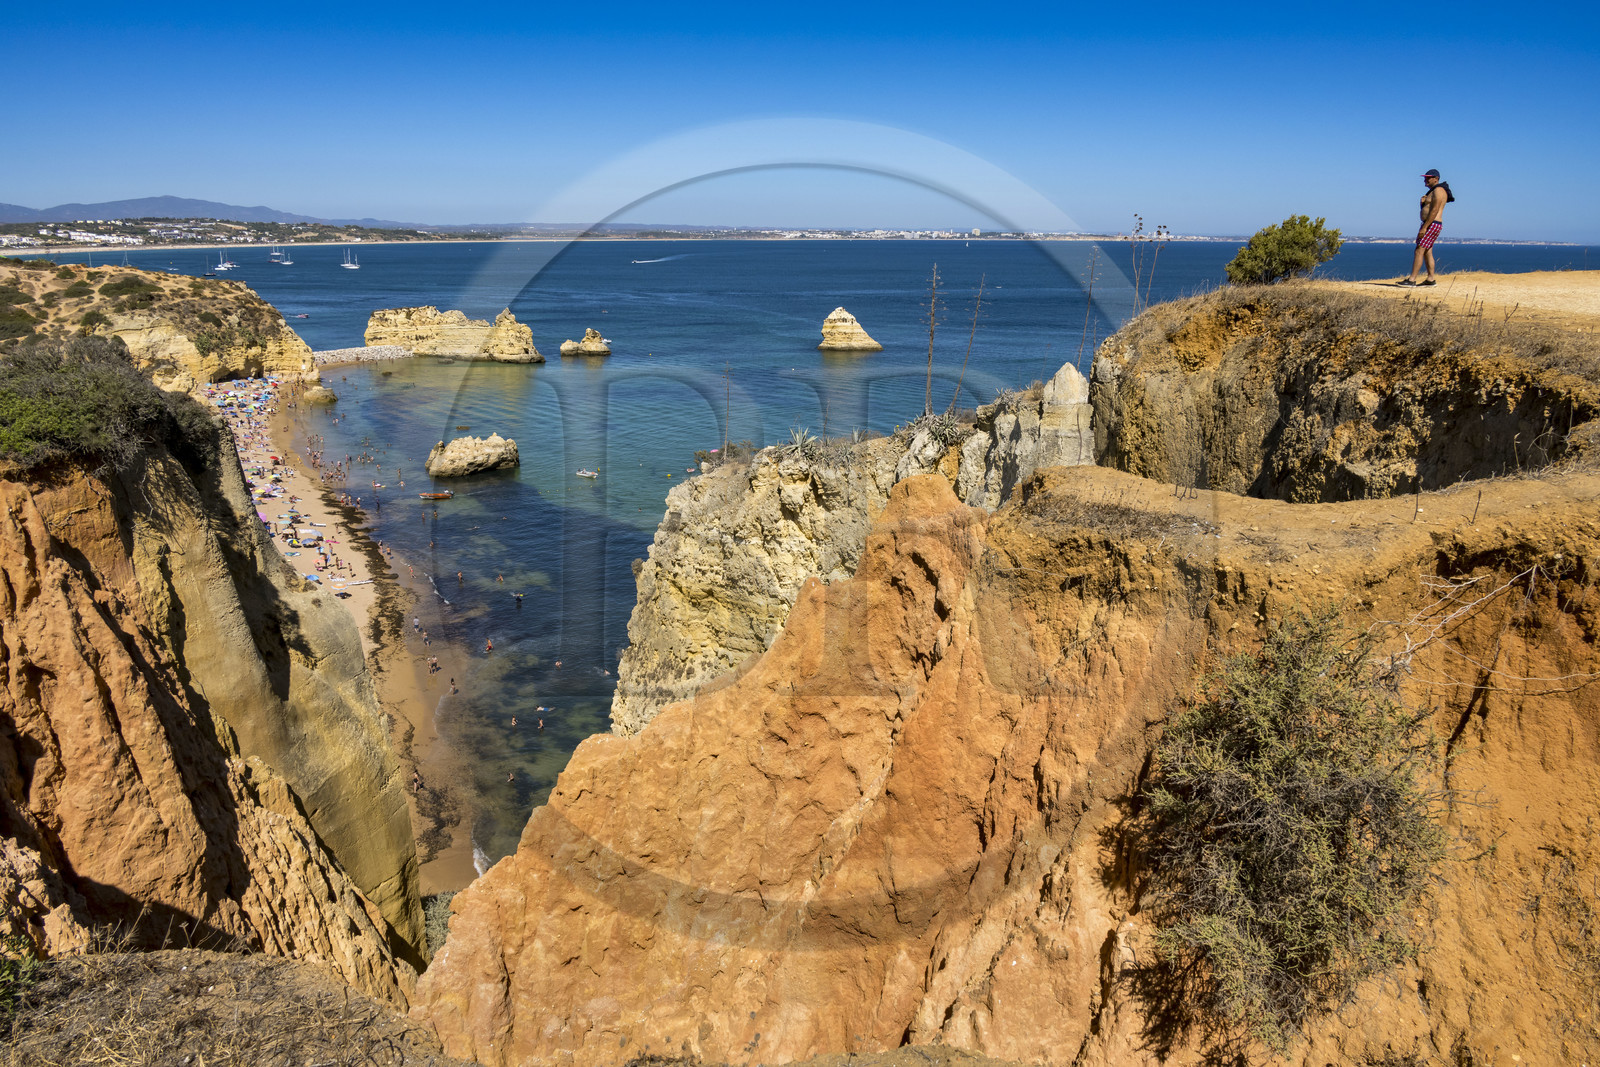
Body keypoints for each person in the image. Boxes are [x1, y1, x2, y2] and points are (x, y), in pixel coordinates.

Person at [1402, 169, 1454, 286]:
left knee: (1419, 250)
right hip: (1431, 223)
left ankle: (1412, 280)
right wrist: (1422, 204)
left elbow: (1434, 210)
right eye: (1425, 178)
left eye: (1428, 178)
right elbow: (1429, 209)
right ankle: (1430, 279)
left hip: (1432, 224)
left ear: (1436, 179)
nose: (1426, 180)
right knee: (1427, 251)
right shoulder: (1434, 191)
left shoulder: (1439, 190)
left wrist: (1424, 227)